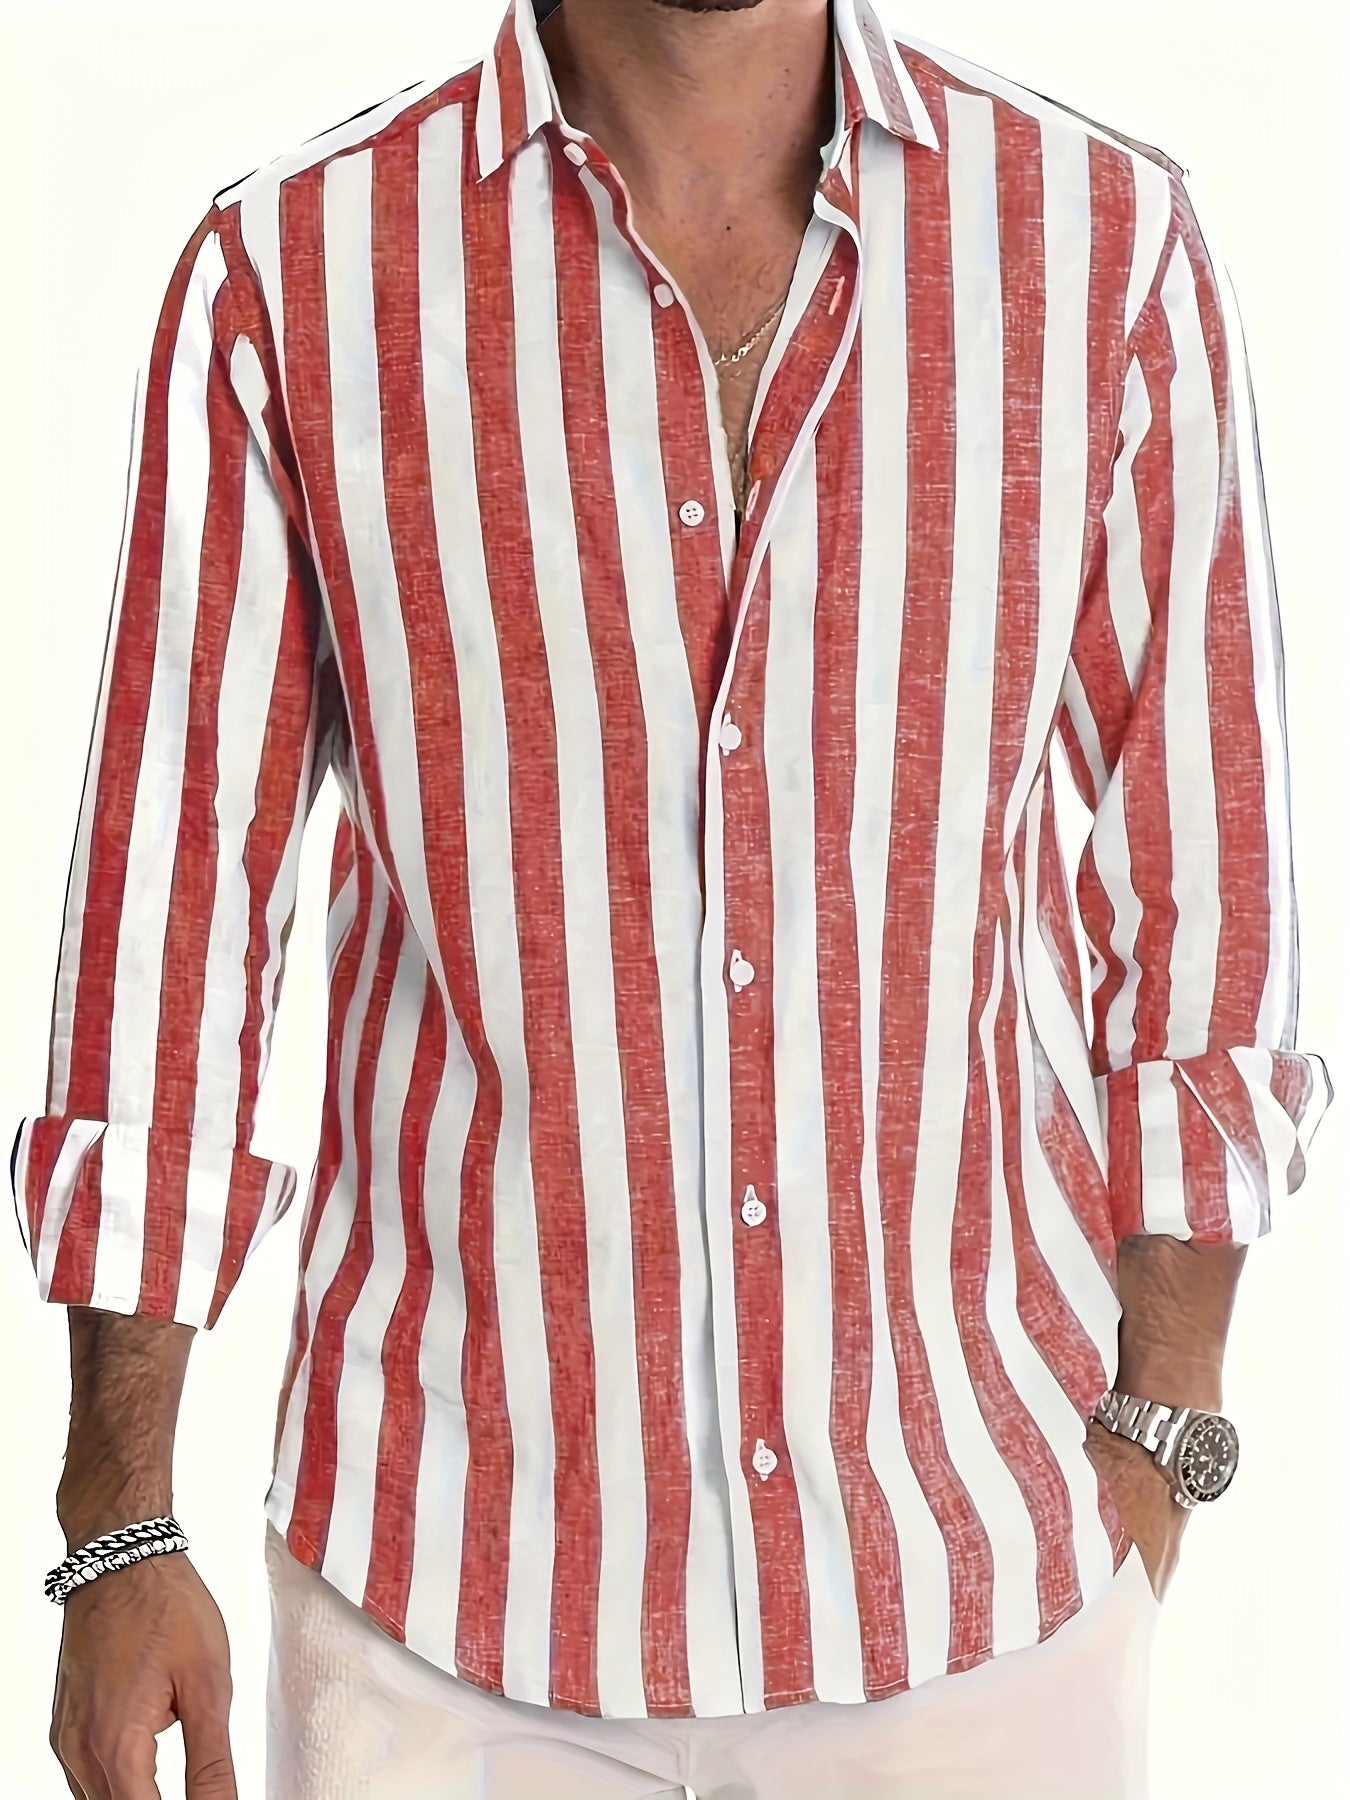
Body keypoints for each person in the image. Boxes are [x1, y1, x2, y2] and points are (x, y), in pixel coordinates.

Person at [12, 1, 1333, 1796]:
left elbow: (1207, 866)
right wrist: (118, 1519)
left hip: (972, 1597)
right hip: (437, 1633)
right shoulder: (296, 272)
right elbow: (173, 904)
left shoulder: (1099, 247)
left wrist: (1165, 1414)